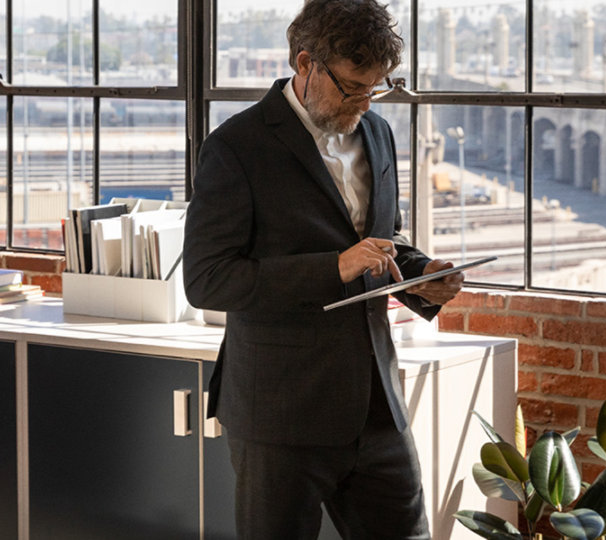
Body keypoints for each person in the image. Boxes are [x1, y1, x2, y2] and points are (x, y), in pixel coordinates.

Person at [182, 0, 465, 538]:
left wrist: (424, 274)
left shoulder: (377, 133)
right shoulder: (236, 147)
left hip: (377, 407)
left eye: (376, 87)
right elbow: (207, 278)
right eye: (353, 87)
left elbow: (382, 241)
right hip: (280, 417)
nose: (364, 101)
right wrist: (334, 268)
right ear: (305, 63)